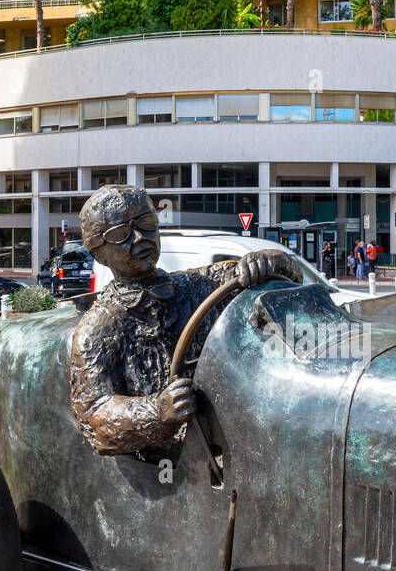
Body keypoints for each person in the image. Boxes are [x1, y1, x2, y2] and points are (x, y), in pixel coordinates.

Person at [69, 185, 302, 457]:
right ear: (98, 252)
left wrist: (269, 261)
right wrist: (157, 411)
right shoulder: (98, 328)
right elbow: (94, 417)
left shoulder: (198, 285)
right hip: (172, 465)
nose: (140, 238)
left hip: (237, 437)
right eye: (121, 234)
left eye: (146, 224)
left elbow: (288, 277)